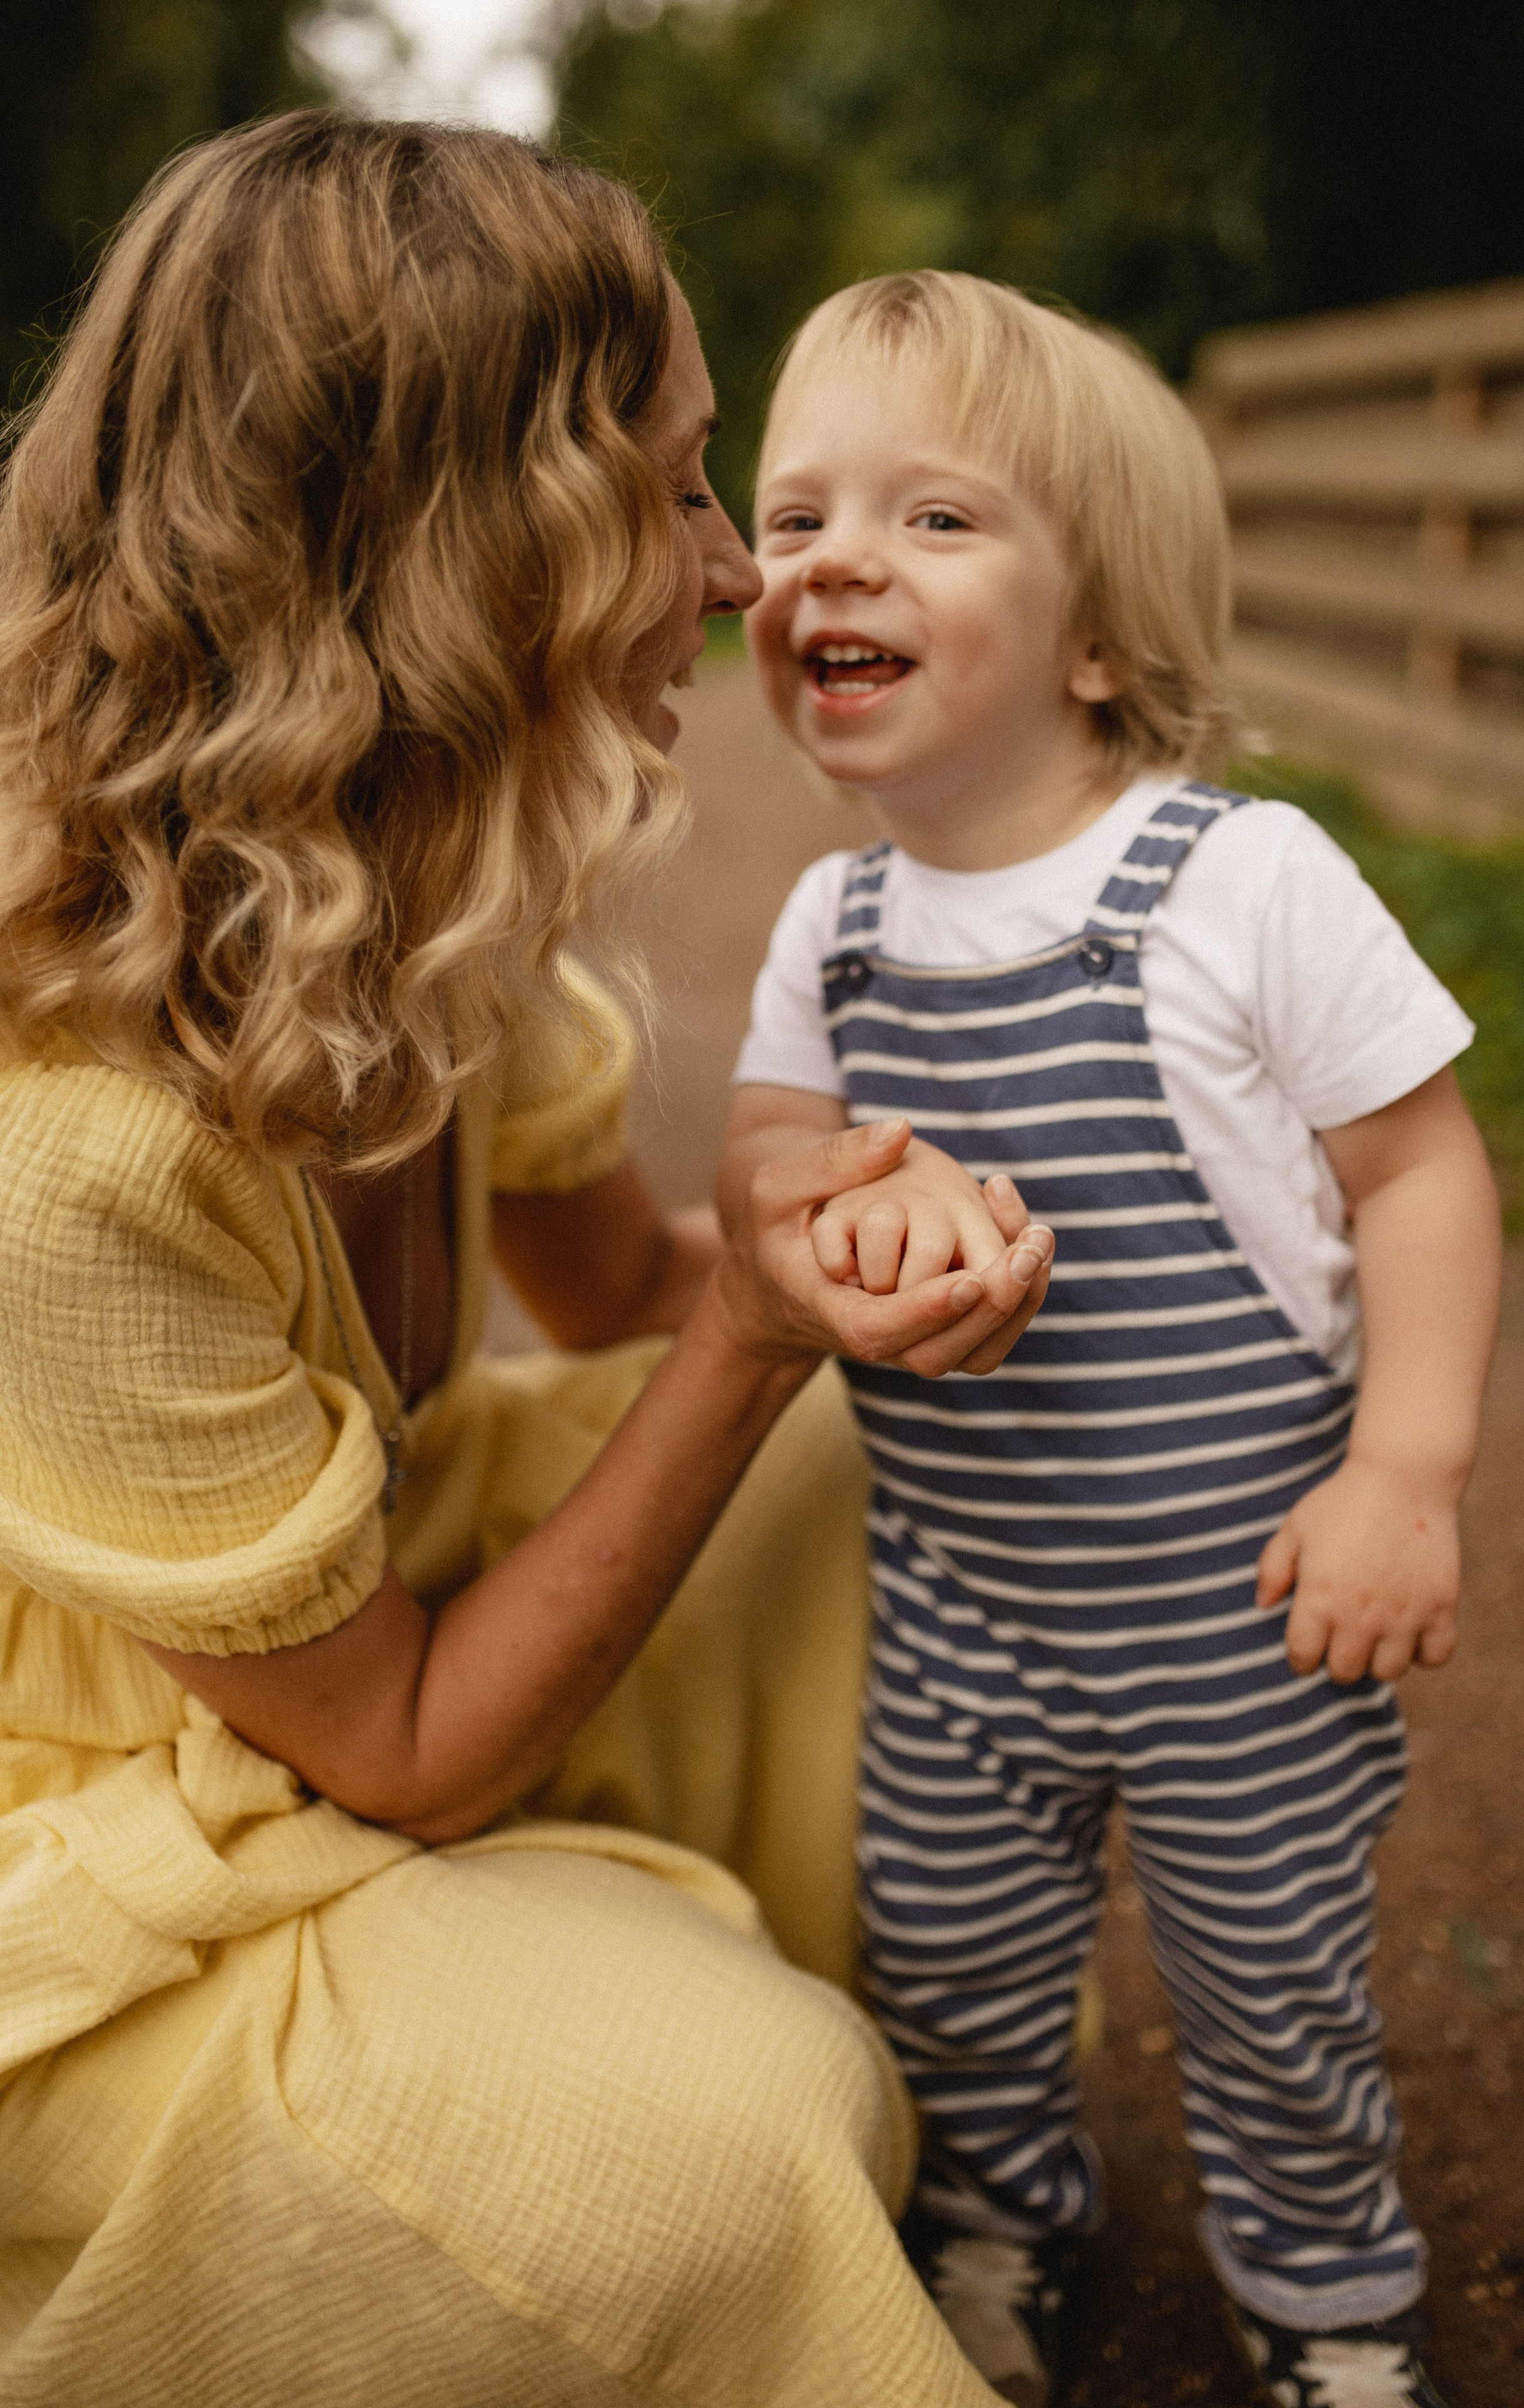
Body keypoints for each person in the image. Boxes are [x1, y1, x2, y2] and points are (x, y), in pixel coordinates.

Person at [0, 122, 1060, 2407]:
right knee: (740, 2139)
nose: (735, 572)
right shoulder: (70, 1151)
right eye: (673, 493)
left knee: (881, 1451)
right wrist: (760, 1331)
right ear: (456, 555)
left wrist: (880, 1249)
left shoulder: (413, 899)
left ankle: (706, 1994)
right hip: (87, 1844)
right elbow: (401, 1747)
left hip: (322, 1678)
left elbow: (623, 1300)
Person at [719, 269, 1503, 2408]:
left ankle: (1329, 2296)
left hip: (1247, 1611)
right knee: (951, 1974)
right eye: (795, 517)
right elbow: (771, 1156)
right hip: (962, 1612)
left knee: (1274, 1995)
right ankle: (999, 2232)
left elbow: (1421, 1175)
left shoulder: (1240, 883)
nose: (837, 559)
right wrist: (842, 1191)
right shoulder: (833, 925)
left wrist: (1404, 1473)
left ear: (1097, 642)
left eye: (932, 517)